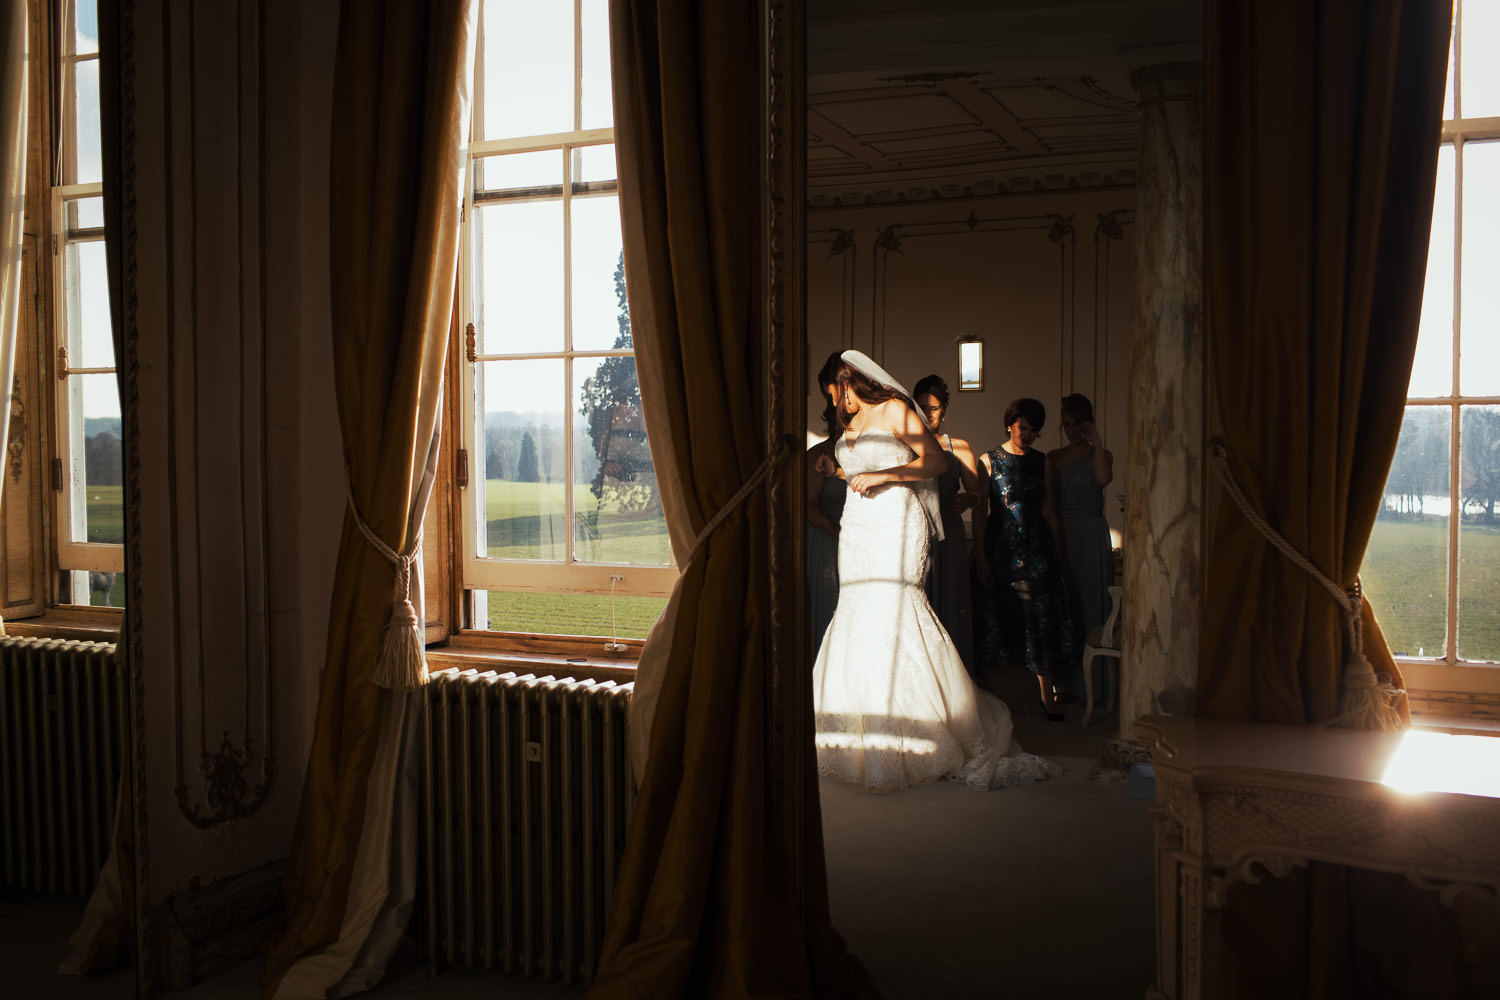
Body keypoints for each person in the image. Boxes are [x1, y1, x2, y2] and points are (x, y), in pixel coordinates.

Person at [812, 351, 1059, 793]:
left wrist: (883, 476)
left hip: (896, 523)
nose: (837, 404)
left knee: (895, 611)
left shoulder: (895, 409)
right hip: (860, 526)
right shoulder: (848, 426)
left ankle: (922, 729)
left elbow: (934, 463)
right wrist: (839, 468)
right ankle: (854, 731)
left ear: (850, 381)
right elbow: (859, 475)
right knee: (856, 613)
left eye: (838, 393)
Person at [974, 398, 1078, 721]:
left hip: (1036, 553)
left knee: (1042, 623)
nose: (1028, 435)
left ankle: (1048, 696)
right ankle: (991, 701)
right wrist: (979, 554)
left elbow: (1049, 511)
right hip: (1000, 552)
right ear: (1010, 424)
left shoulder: (1042, 462)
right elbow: (979, 512)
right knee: (994, 621)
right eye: (1023, 428)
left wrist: (1059, 554)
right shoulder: (988, 460)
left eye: (1034, 430)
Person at [1047, 393, 1116, 702]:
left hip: (1091, 535)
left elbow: (1102, 478)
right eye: (1067, 425)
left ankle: (1099, 687)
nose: (1071, 431)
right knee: (1067, 607)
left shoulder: (1101, 454)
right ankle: (1067, 686)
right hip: (1063, 531)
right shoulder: (1053, 457)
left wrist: (1096, 441)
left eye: (1077, 424)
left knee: (1092, 603)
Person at [912, 374, 981, 673]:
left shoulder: (960, 447)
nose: (928, 414)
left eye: (935, 408)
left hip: (949, 532)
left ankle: (955, 676)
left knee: (952, 602)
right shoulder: (904, 446)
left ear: (944, 411)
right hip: (914, 532)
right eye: (922, 406)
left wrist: (969, 499)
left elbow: (979, 495)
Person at [806, 352, 849, 658]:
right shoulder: (819, 454)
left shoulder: (870, 454)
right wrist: (830, 526)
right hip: (828, 541)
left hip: (862, 540)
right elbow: (807, 504)